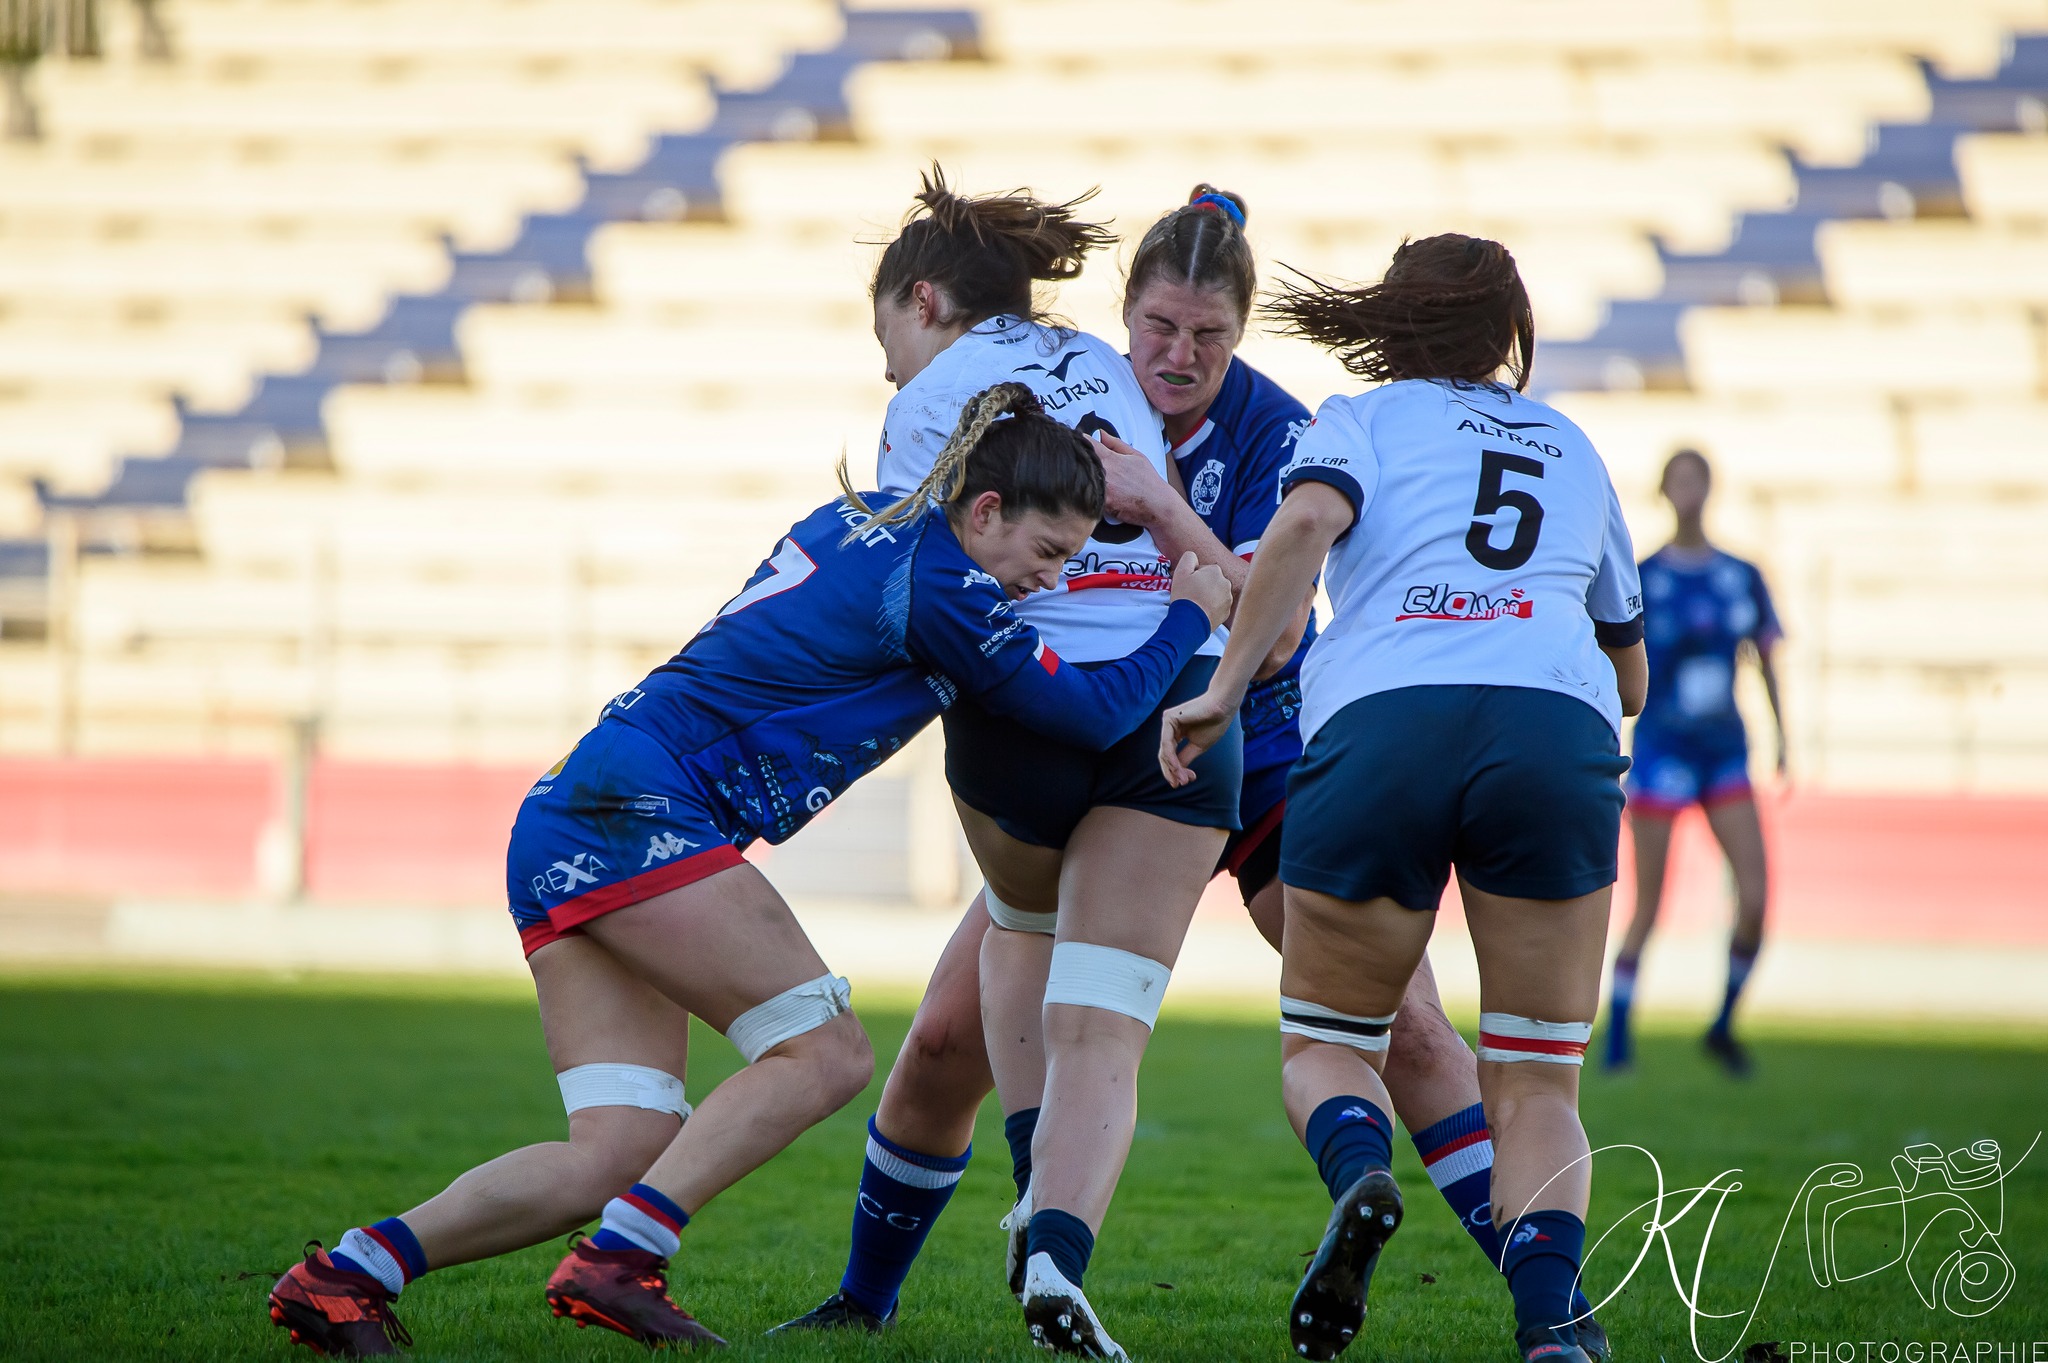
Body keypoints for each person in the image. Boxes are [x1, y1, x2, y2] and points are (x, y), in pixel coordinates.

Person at [263, 385, 1234, 1358]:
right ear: (985, 511)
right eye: (1048, 551)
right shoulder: (944, 581)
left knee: (618, 1149)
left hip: (575, 806)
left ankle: (346, 1276)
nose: (1050, 580)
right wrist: (1186, 616)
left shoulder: (865, 516)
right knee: (828, 1052)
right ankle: (623, 1258)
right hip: (640, 812)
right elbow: (1088, 716)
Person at [776, 167, 1247, 1360]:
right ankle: (1048, 1255)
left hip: (1025, 711)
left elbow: (914, 583)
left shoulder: (930, 396)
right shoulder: (1097, 359)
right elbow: (1186, 543)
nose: (888, 371)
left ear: (921, 300)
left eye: (885, 342)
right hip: (1175, 706)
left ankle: (970, 1246)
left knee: (1018, 951)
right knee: (1094, 1027)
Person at [1161, 233, 1647, 1363]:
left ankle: (1359, 1172)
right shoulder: (1573, 445)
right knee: (1536, 1077)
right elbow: (1629, 677)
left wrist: (1224, 691)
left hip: (1385, 725)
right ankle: (1551, 1325)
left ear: (1391, 320)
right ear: (1507, 334)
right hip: (1552, 732)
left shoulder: (1362, 419)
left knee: (1329, 1043)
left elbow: (1301, 525)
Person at [1603, 448, 1784, 1076]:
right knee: (1649, 904)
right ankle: (1618, 1039)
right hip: (1661, 749)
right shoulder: (1643, 576)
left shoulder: (1741, 573)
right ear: (1663, 490)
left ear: (1712, 488)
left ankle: (1724, 1025)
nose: (1689, 491)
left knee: (1755, 897)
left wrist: (1784, 737)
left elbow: (1765, 657)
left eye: (1698, 479)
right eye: (1678, 480)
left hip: (1725, 749)